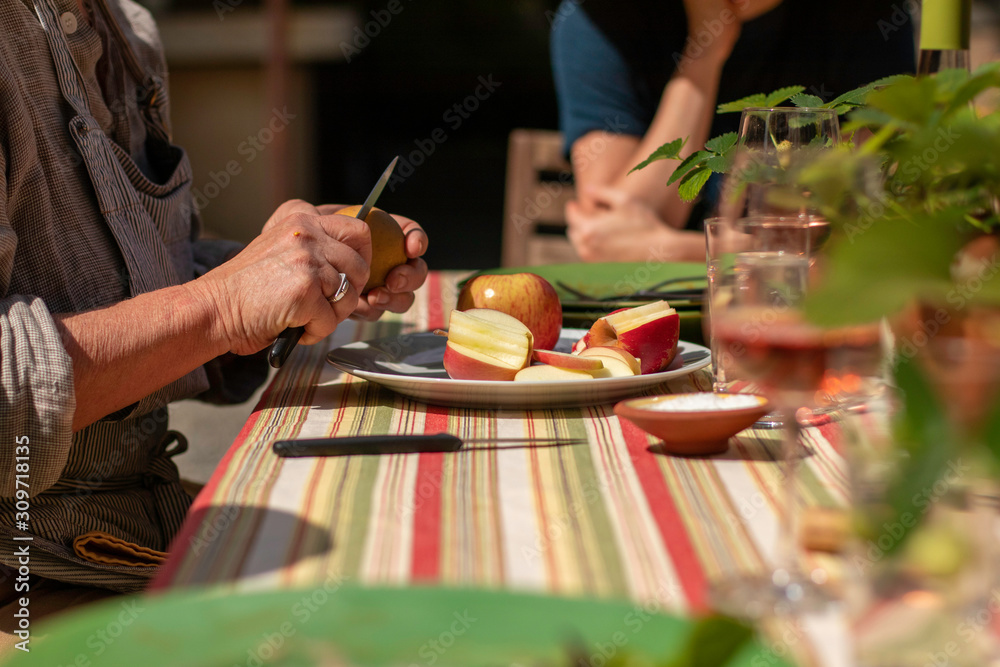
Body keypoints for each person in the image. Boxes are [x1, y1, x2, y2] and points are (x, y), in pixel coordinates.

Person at [0, 0, 428, 635]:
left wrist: (291, 276)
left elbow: (152, 286)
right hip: (32, 580)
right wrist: (223, 304)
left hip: (141, 528)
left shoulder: (126, 29)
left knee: (415, 555)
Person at [550, 0, 916, 262]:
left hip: (803, 323)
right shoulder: (599, 20)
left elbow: (870, 230)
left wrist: (684, 251)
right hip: (650, 326)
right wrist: (706, 49)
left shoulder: (870, 15)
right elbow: (610, 233)